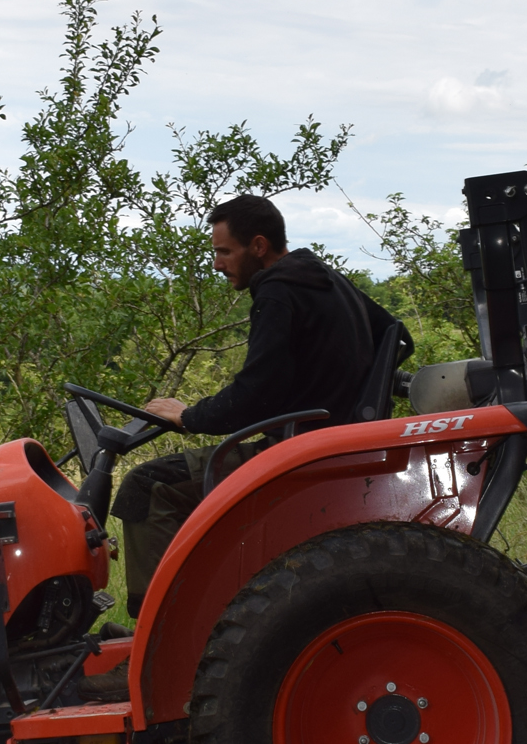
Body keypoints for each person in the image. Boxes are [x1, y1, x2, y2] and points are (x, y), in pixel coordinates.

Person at [111, 194, 388, 617]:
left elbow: (254, 394)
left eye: (224, 251)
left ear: (258, 246)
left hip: (296, 453)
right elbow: (394, 336)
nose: (218, 263)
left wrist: (187, 416)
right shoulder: (328, 279)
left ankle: (157, 635)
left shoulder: (278, 292)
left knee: (147, 487)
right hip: (334, 445)